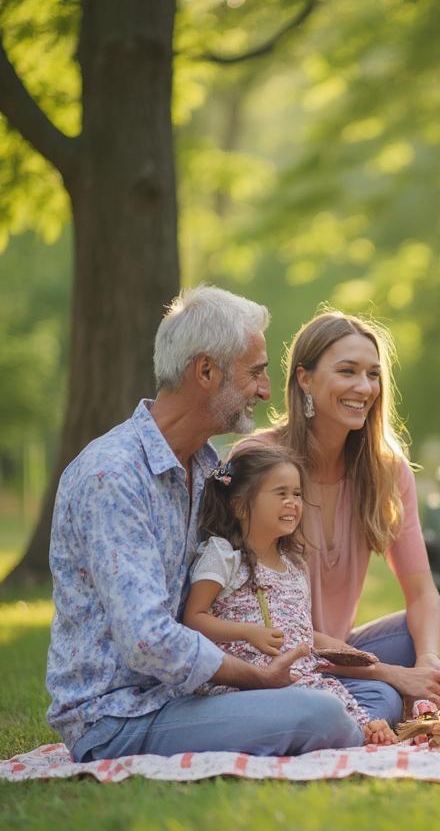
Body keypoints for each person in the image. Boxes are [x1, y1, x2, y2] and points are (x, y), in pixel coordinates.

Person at [47, 286, 366, 763]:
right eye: (255, 372)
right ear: (205, 371)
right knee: (323, 715)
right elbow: (146, 641)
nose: (263, 389)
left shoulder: (205, 467)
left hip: (185, 697)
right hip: (119, 717)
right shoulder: (112, 476)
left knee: (344, 703)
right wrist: (256, 676)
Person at [239, 310, 440, 726]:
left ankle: (361, 702)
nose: (364, 387)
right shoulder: (257, 462)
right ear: (304, 379)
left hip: (340, 653)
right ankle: (352, 707)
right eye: (347, 371)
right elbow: (265, 623)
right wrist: (394, 675)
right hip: (275, 652)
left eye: (373, 374)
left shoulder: (387, 471)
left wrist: (427, 663)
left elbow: (421, 590)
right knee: (384, 698)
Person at [182, 443, 397, 745]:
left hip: (301, 678)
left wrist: (346, 653)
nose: (292, 503)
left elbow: (301, 633)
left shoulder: (294, 564)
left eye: (296, 494)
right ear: (240, 506)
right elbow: (193, 619)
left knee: (370, 698)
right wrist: (247, 633)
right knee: (327, 709)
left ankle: (363, 729)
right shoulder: (223, 555)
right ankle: (347, 730)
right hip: (246, 687)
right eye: (280, 493)